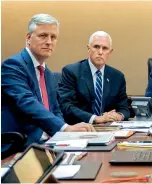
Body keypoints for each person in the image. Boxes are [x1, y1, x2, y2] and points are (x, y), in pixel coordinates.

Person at [1, 14, 94, 149]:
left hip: (49, 143)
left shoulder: (49, 74)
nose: (49, 42)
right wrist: (64, 128)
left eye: (53, 37)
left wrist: (65, 136)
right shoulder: (13, 66)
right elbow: (27, 103)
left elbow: (55, 109)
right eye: (43, 36)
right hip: (21, 146)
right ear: (28, 38)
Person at [58, 31, 130, 124]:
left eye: (105, 48)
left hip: (109, 128)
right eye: (96, 47)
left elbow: (124, 108)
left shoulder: (117, 77)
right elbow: (66, 106)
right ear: (89, 49)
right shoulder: (71, 72)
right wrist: (95, 118)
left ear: (110, 52)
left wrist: (118, 115)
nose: (100, 52)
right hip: (79, 128)